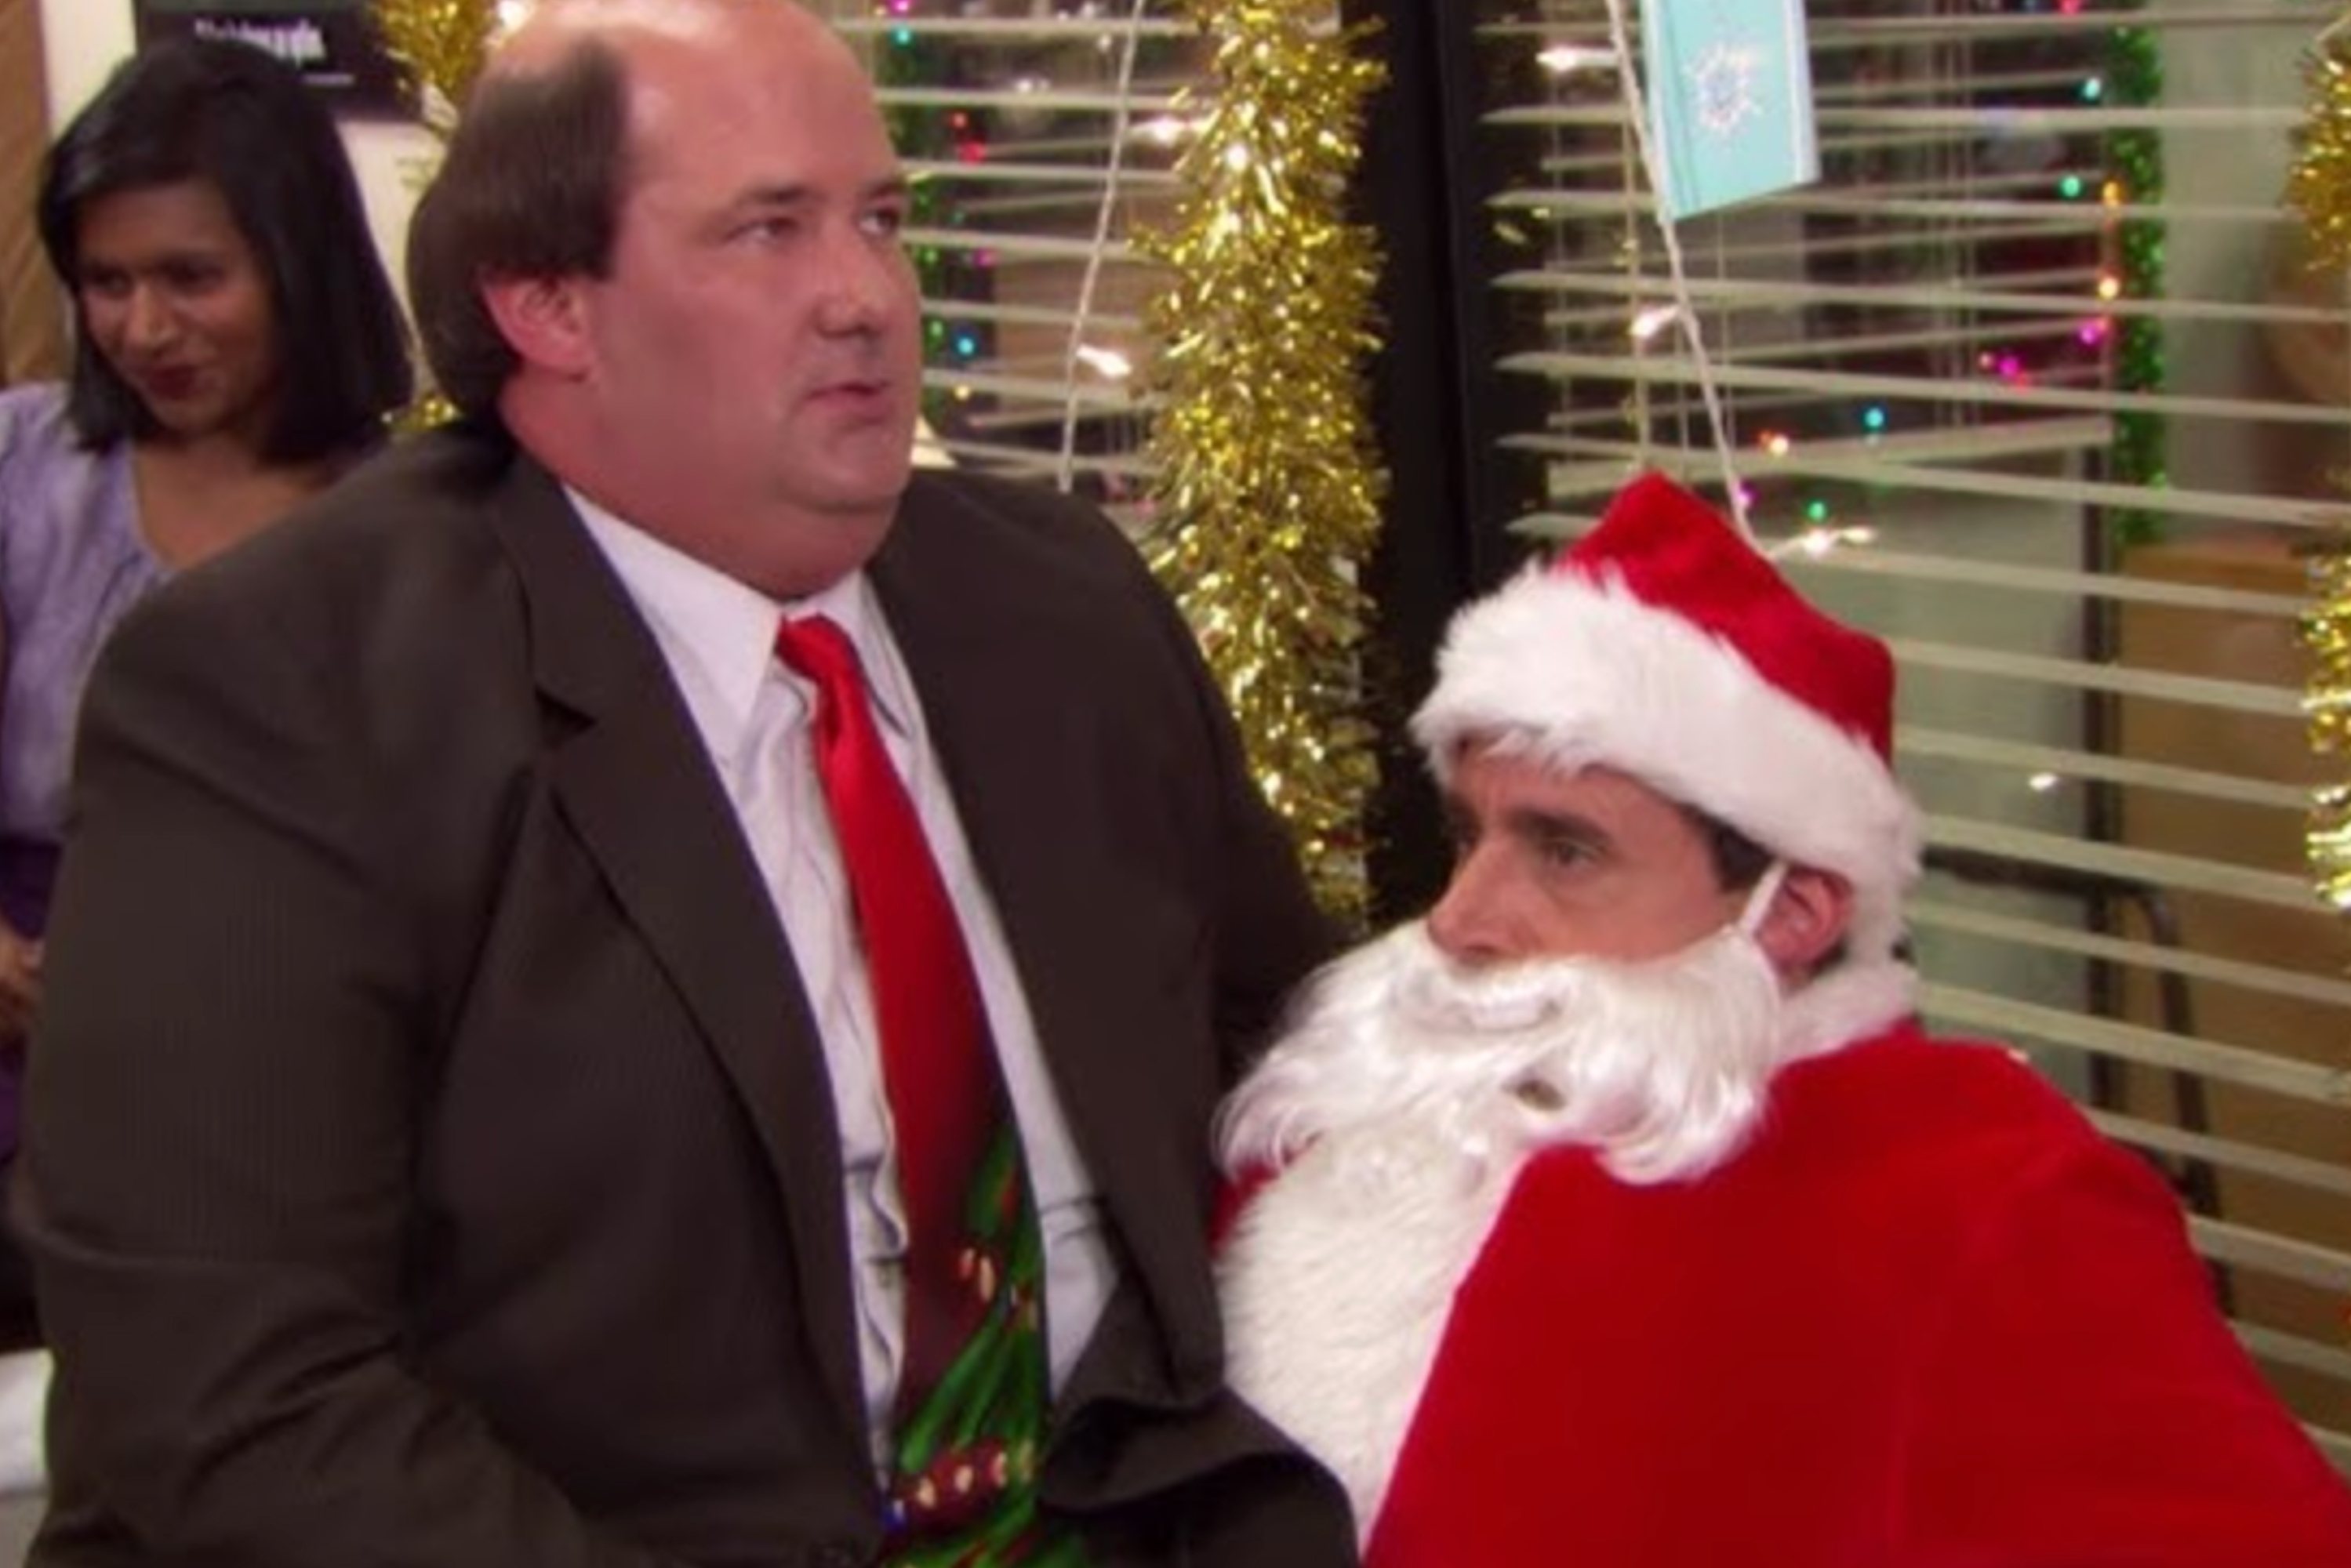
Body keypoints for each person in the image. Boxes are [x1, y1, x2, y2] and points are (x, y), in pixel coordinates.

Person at [17, 2, 1352, 1564]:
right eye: (766, 232)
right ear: (544, 303)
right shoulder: (283, 690)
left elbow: (1292, 1062)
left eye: (877, 221)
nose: (864, 296)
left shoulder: (1056, 605)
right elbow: (233, 1394)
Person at [1215, 472, 2351, 1566]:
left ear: (1792, 910)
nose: (1459, 920)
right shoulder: (1358, 1119)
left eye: (1565, 852)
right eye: (1471, 834)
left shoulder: (1976, 1198)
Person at [0, 34, 410, 1345]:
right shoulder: (25, 468)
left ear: (298, 264)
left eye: (192, 277)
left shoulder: (412, 529)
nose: (143, 329)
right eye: (107, 282)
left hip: (270, 1068)